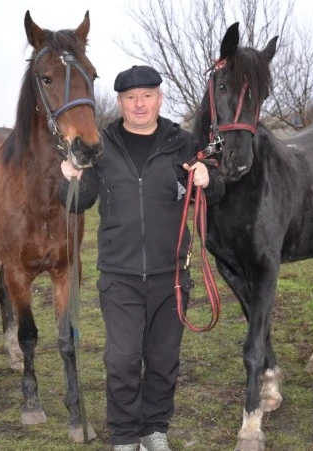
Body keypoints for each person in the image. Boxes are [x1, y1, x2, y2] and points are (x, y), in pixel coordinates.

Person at [59, 65, 225, 451]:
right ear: (119, 103)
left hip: (172, 275)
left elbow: (215, 191)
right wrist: (69, 177)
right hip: (120, 276)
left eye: (147, 95)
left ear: (159, 99)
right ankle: (124, 436)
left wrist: (207, 177)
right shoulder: (102, 145)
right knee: (122, 360)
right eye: (131, 97)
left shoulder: (182, 143)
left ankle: (154, 429)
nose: (139, 104)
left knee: (164, 359)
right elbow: (80, 202)